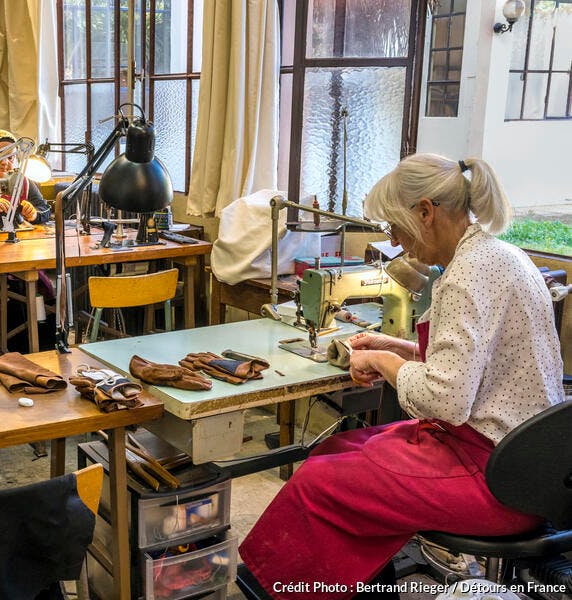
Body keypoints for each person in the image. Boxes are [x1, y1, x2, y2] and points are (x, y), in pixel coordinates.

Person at [239, 154, 565, 600]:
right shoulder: (502, 256)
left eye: (394, 227)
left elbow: (447, 401)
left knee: (319, 484)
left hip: (497, 479)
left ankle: (292, 590)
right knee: (338, 446)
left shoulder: (464, 277)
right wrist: (399, 348)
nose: (394, 241)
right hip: (531, 464)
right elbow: (474, 368)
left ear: (426, 212)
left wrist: (383, 364)